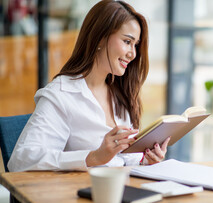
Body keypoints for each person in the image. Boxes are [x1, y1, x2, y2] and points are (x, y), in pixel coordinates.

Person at [8, 0, 170, 172]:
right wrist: (93, 157)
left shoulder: (121, 93)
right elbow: (21, 160)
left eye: (136, 45)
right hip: (83, 195)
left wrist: (146, 161)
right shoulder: (62, 94)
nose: (133, 54)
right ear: (100, 38)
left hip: (121, 191)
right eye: (127, 42)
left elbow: (122, 161)